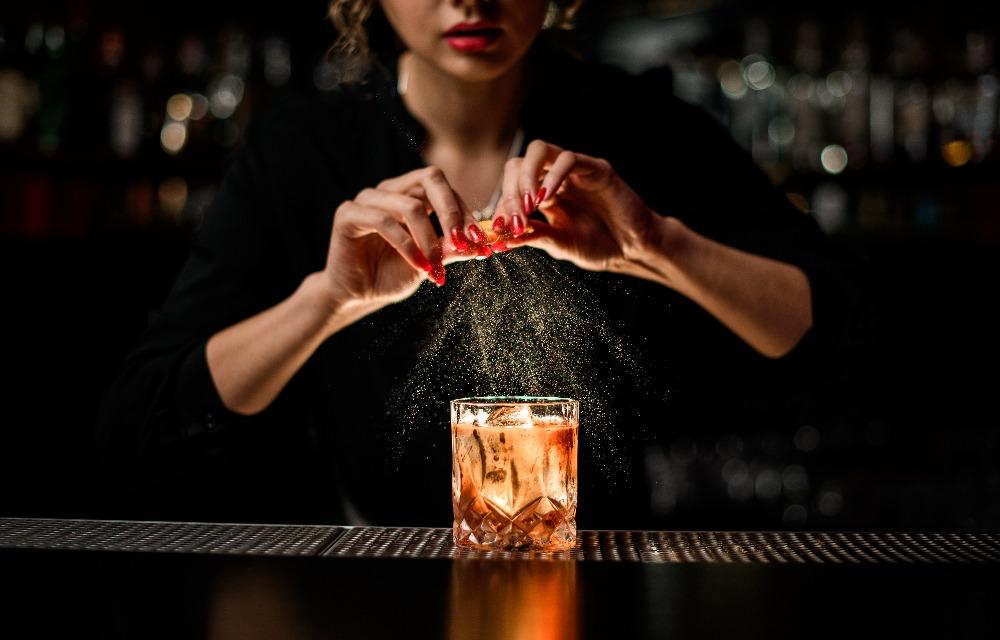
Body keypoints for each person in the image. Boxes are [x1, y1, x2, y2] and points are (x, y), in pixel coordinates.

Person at [96, 0, 869, 526]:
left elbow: (834, 332)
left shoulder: (647, 130)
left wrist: (656, 246)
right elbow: (143, 426)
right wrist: (327, 299)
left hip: (609, 586)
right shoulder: (300, 154)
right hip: (368, 595)